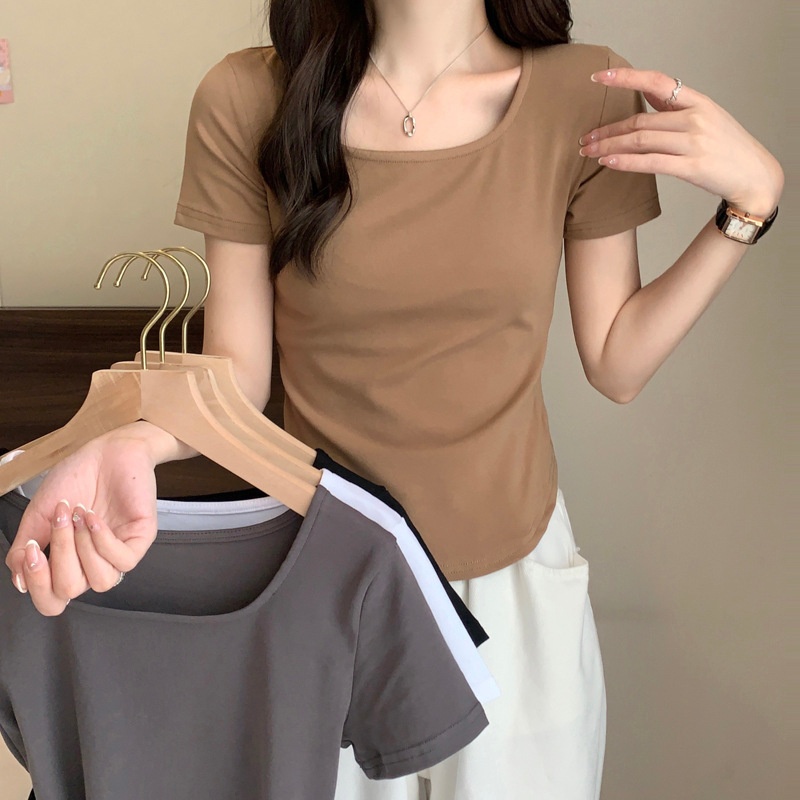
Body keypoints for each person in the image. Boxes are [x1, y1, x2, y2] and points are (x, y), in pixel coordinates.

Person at [4, 1, 783, 798]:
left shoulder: (585, 93)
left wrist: (749, 206)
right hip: (327, 590)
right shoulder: (246, 97)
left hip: (514, 583)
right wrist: (133, 440)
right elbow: (237, 372)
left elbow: (618, 360)